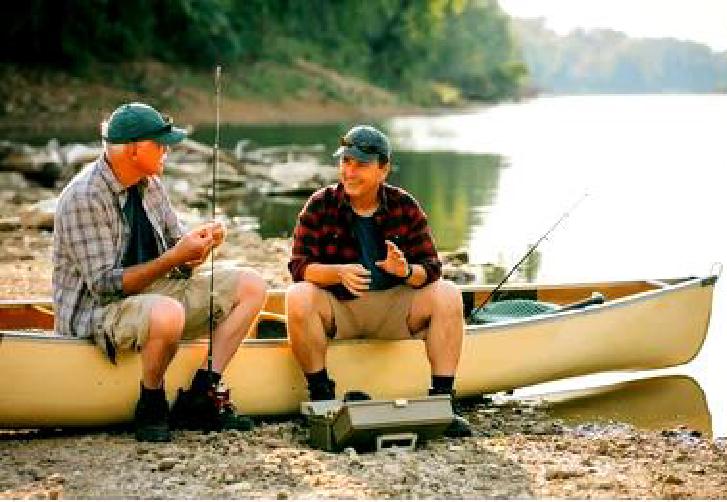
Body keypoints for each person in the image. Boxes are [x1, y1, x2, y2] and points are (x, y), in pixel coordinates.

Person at [53, 102, 267, 442]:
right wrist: (174, 258)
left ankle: (201, 395)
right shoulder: (84, 197)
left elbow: (176, 254)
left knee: (252, 285)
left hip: (154, 295)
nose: (167, 151)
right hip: (99, 311)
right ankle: (151, 401)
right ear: (135, 149)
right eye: (160, 144)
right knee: (167, 313)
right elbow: (104, 285)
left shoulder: (150, 183)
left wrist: (199, 248)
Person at [286, 124, 471, 437]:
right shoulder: (320, 204)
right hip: (340, 309)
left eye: (360, 164)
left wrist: (406, 272)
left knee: (449, 294)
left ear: (383, 169)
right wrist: (337, 272)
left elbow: (432, 268)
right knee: (297, 296)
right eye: (345, 162)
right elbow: (299, 267)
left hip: (395, 309)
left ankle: (441, 402)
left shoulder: (404, 205)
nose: (350, 171)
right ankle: (322, 399)